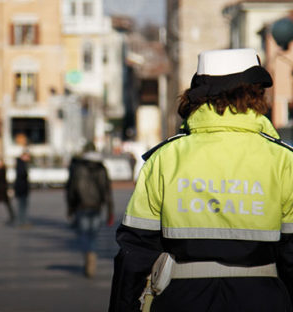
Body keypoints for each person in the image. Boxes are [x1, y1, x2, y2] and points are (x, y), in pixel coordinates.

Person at [109, 48, 293, 312]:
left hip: (181, 300)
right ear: (254, 95)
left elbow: (135, 251)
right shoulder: (284, 161)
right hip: (263, 300)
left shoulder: (165, 158)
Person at [66, 143, 114, 278]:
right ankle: (92, 255)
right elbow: (107, 191)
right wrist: (110, 210)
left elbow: (72, 189)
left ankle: (89, 254)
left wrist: (70, 207)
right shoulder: (101, 168)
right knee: (93, 235)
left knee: (84, 235)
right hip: (97, 206)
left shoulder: (78, 168)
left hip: (82, 206)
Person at [14, 149, 31, 227]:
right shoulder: (21, 164)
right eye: (27, 156)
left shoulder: (21, 163)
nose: (29, 158)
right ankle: (21, 222)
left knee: (23, 206)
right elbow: (22, 175)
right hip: (21, 188)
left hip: (23, 188)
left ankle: (23, 221)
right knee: (22, 206)